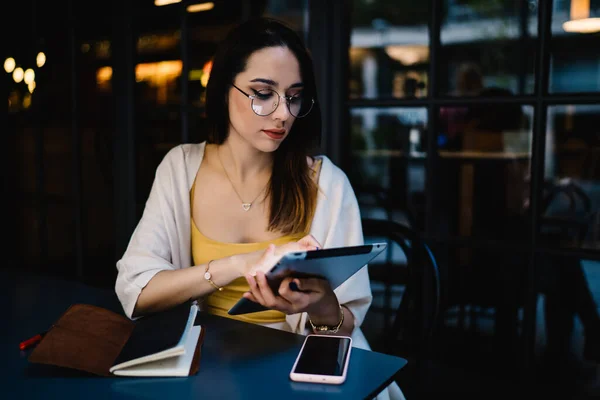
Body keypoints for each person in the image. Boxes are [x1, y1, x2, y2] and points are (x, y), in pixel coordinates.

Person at [115, 17, 404, 400]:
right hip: (210, 366)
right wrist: (239, 264)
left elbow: (341, 330)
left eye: (294, 95)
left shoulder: (326, 183)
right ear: (223, 89)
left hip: (303, 370)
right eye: (263, 93)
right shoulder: (181, 167)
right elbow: (138, 292)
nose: (284, 113)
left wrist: (321, 303)